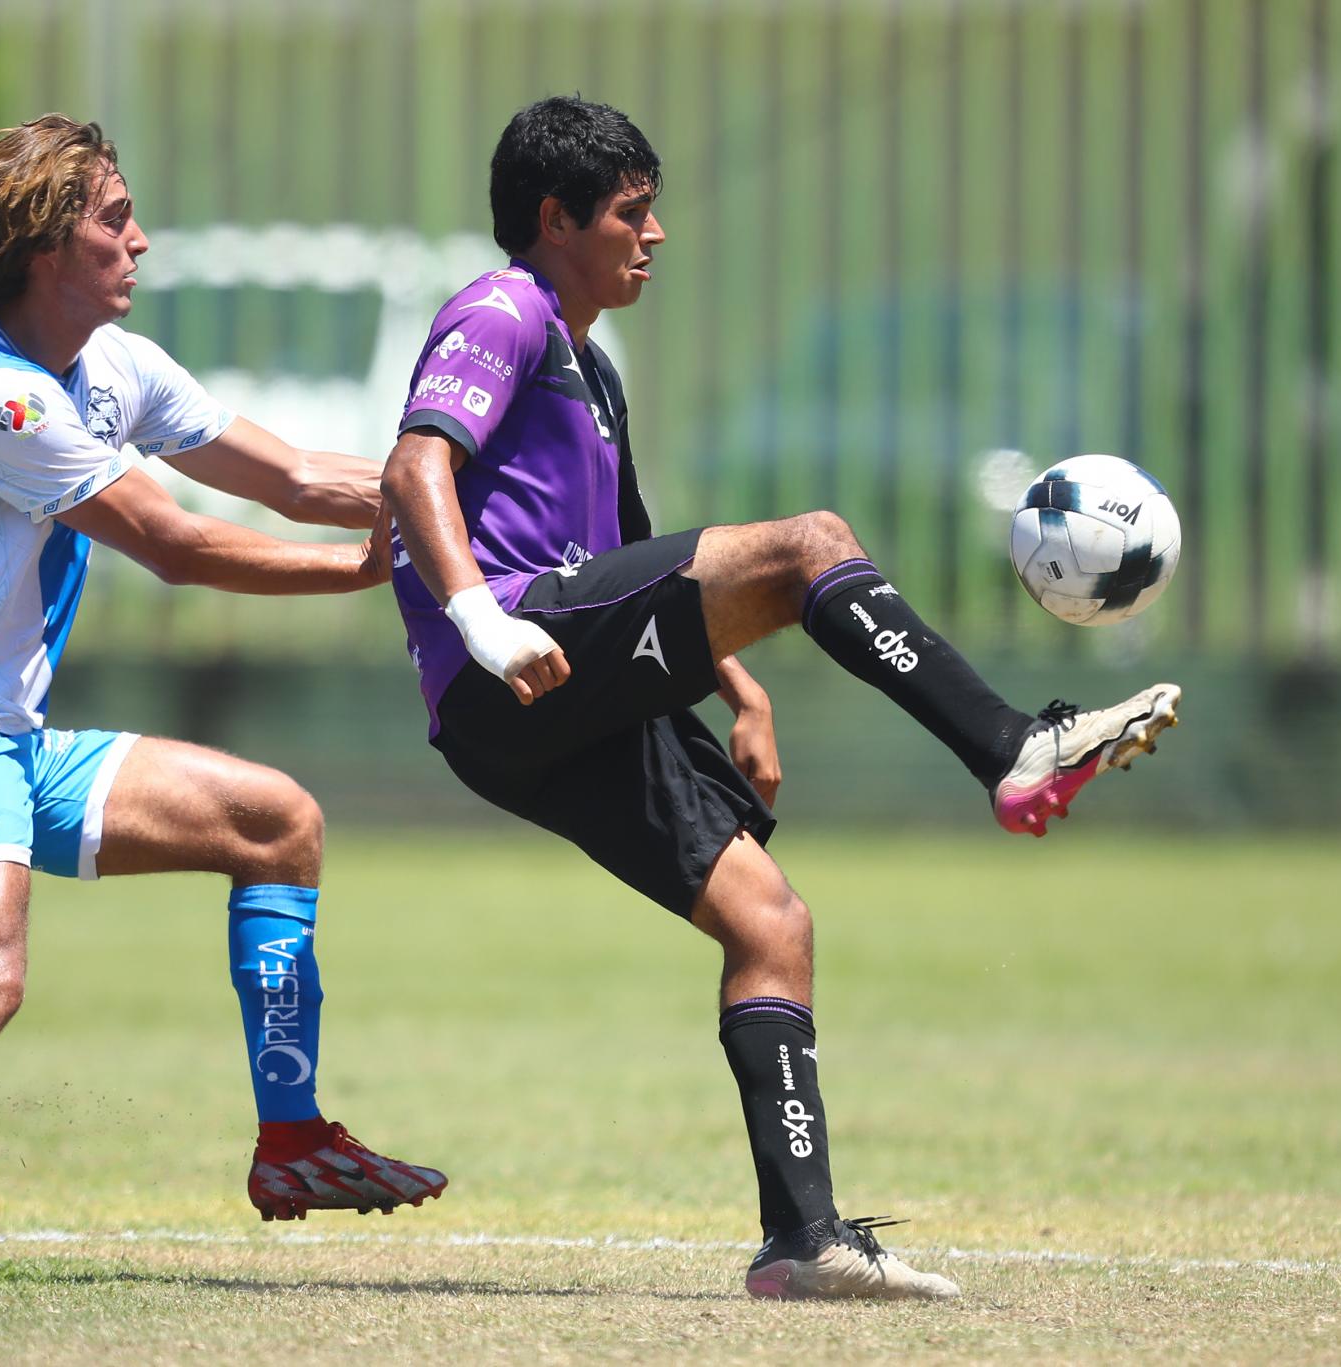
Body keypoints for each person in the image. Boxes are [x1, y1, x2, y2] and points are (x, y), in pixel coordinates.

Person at [379, 95, 1180, 1303]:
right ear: (556, 219)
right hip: (511, 654)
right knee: (810, 544)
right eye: (631, 213)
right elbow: (412, 466)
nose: (655, 236)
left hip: (559, 687)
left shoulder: (590, 364)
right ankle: (1013, 747)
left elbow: (641, 558)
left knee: (771, 925)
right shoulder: (501, 310)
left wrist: (739, 686)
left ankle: (800, 1241)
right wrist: (481, 621)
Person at [0, 115, 444, 1296]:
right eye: (114, 218)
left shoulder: (115, 366)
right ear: (46, 246)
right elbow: (177, 544)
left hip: (7, 736)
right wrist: (367, 569)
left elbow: (299, 477)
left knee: (276, 821)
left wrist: (461, 491)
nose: (140, 239)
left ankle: (293, 1141)